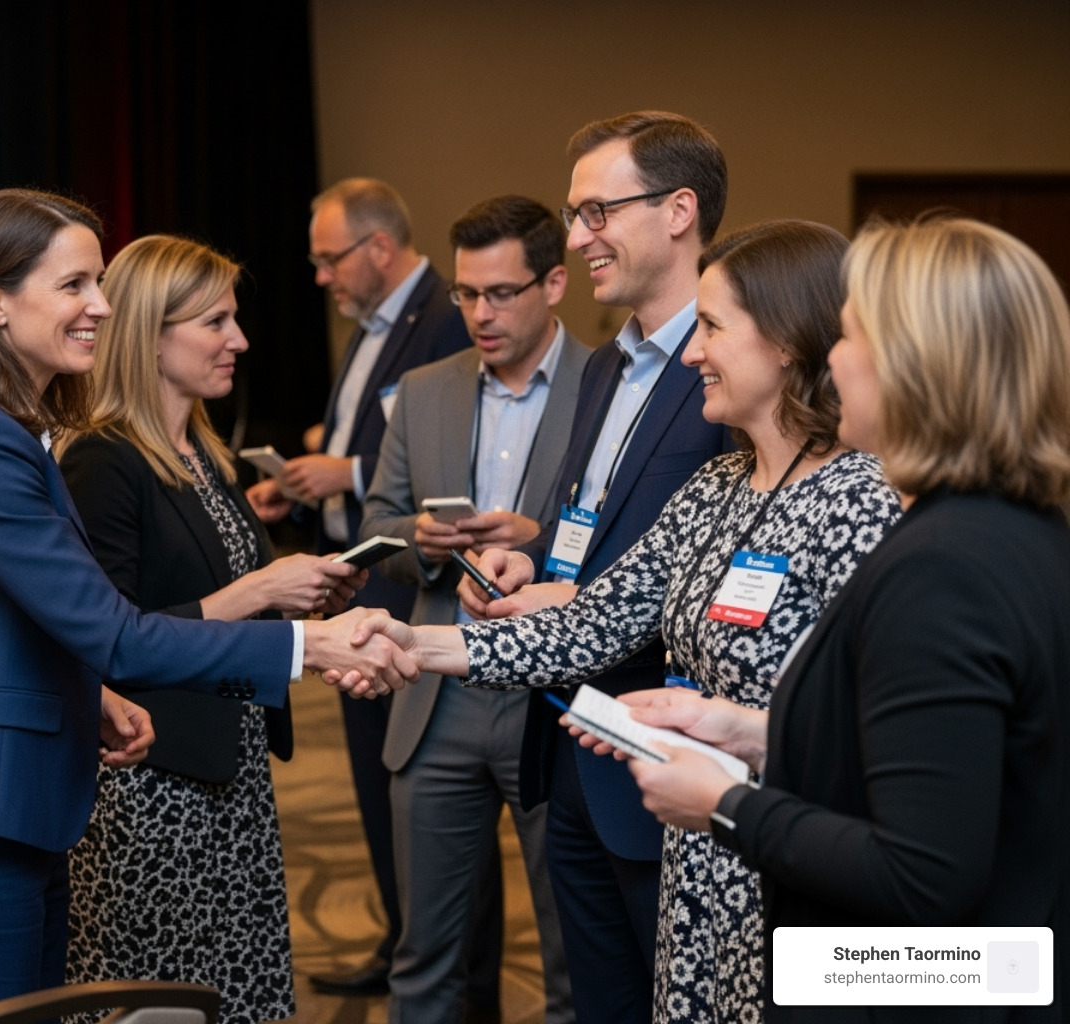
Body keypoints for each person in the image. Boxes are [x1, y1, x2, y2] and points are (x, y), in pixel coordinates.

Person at [0, 188, 414, 1024]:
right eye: (74, 284)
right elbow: (115, 630)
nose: (102, 305)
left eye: (99, 283)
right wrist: (313, 645)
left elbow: (15, 624)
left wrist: (92, 694)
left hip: (7, 810)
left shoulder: (4, 434)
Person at [341, 219, 905, 1024]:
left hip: (792, 856)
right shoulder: (715, 486)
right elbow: (591, 625)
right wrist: (416, 643)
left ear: (786, 343)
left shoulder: (862, 500)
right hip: (700, 854)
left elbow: (880, 729)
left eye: (712, 329)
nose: (692, 353)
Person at [614, 217, 1070, 1023]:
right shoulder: (1024, 531)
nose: (831, 358)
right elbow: (951, 769)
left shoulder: (944, 568)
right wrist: (751, 733)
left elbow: (923, 878)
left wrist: (724, 804)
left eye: (850, 335)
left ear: (916, 365)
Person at [461, 110, 735, 1024]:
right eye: (574, 216)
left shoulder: (731, 372)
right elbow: (595, 523)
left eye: (597, 213)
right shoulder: (605, 368)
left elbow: (730, 566)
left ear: (678, 211)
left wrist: (572, 596)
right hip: (570, 738)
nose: (577, 239)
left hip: (671, 759)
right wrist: (529, 557)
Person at [55, 235, 365, 1024]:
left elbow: (219, 601)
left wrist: (302, 595)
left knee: (233, 986)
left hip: (229, 771)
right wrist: (260, 586)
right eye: (215, 322)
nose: (240, 340)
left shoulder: (202, 453)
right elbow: (107, 640)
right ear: (151, 336)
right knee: (161, 993)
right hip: (151, 785)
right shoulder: (103, 460)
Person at [358, 195, 585, 1024]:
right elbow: (377, 523)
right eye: (466, 294)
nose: (480, 314)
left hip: (552, 697)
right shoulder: (424, 391)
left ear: (553, 284)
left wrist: (539, 540)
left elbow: (634, 536)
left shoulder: (606, 386)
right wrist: (418, 542)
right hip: (437, 695)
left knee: (572, 952)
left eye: (501, 293)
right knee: (425, 953)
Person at [250, 176, 477, 997]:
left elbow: (450, 451)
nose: (321, 277)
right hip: (357, 580)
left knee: (422, 794)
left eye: (330, 258)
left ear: (379, 247)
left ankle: (447, 967)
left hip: (406, 588)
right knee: (380, 785)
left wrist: (343, 472)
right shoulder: (376, 322)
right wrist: (308, 487)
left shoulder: (447, 318)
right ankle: (401, 939)